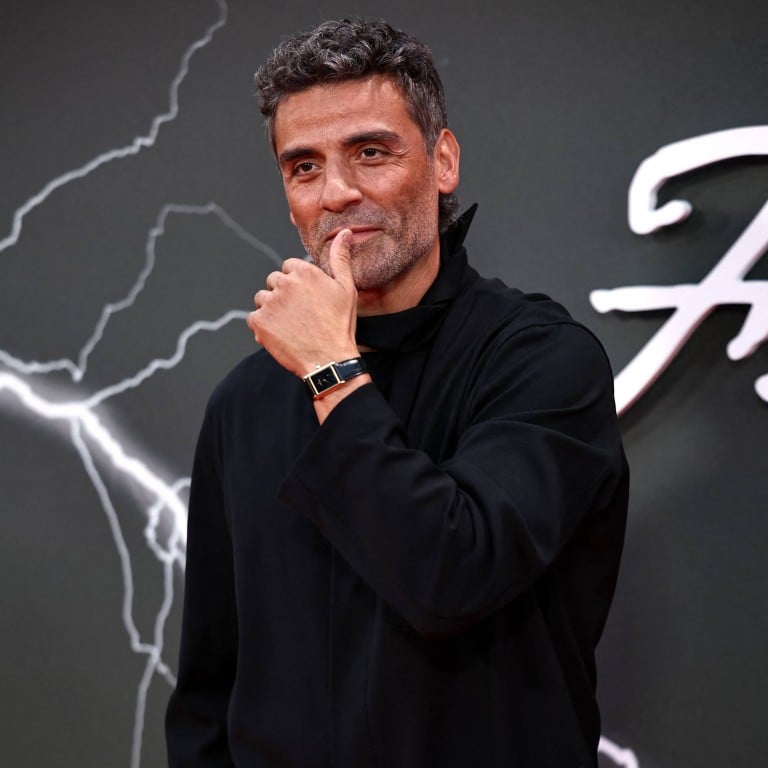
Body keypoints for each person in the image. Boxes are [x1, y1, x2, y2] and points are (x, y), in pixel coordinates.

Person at [165, 17, 629, 768]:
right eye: (304, 167)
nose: (338, 193)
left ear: (443, 161)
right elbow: (211, 688)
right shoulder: (244, 403)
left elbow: (452, 575)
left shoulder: (543, 361)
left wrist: (330, 370)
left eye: (371, 153)